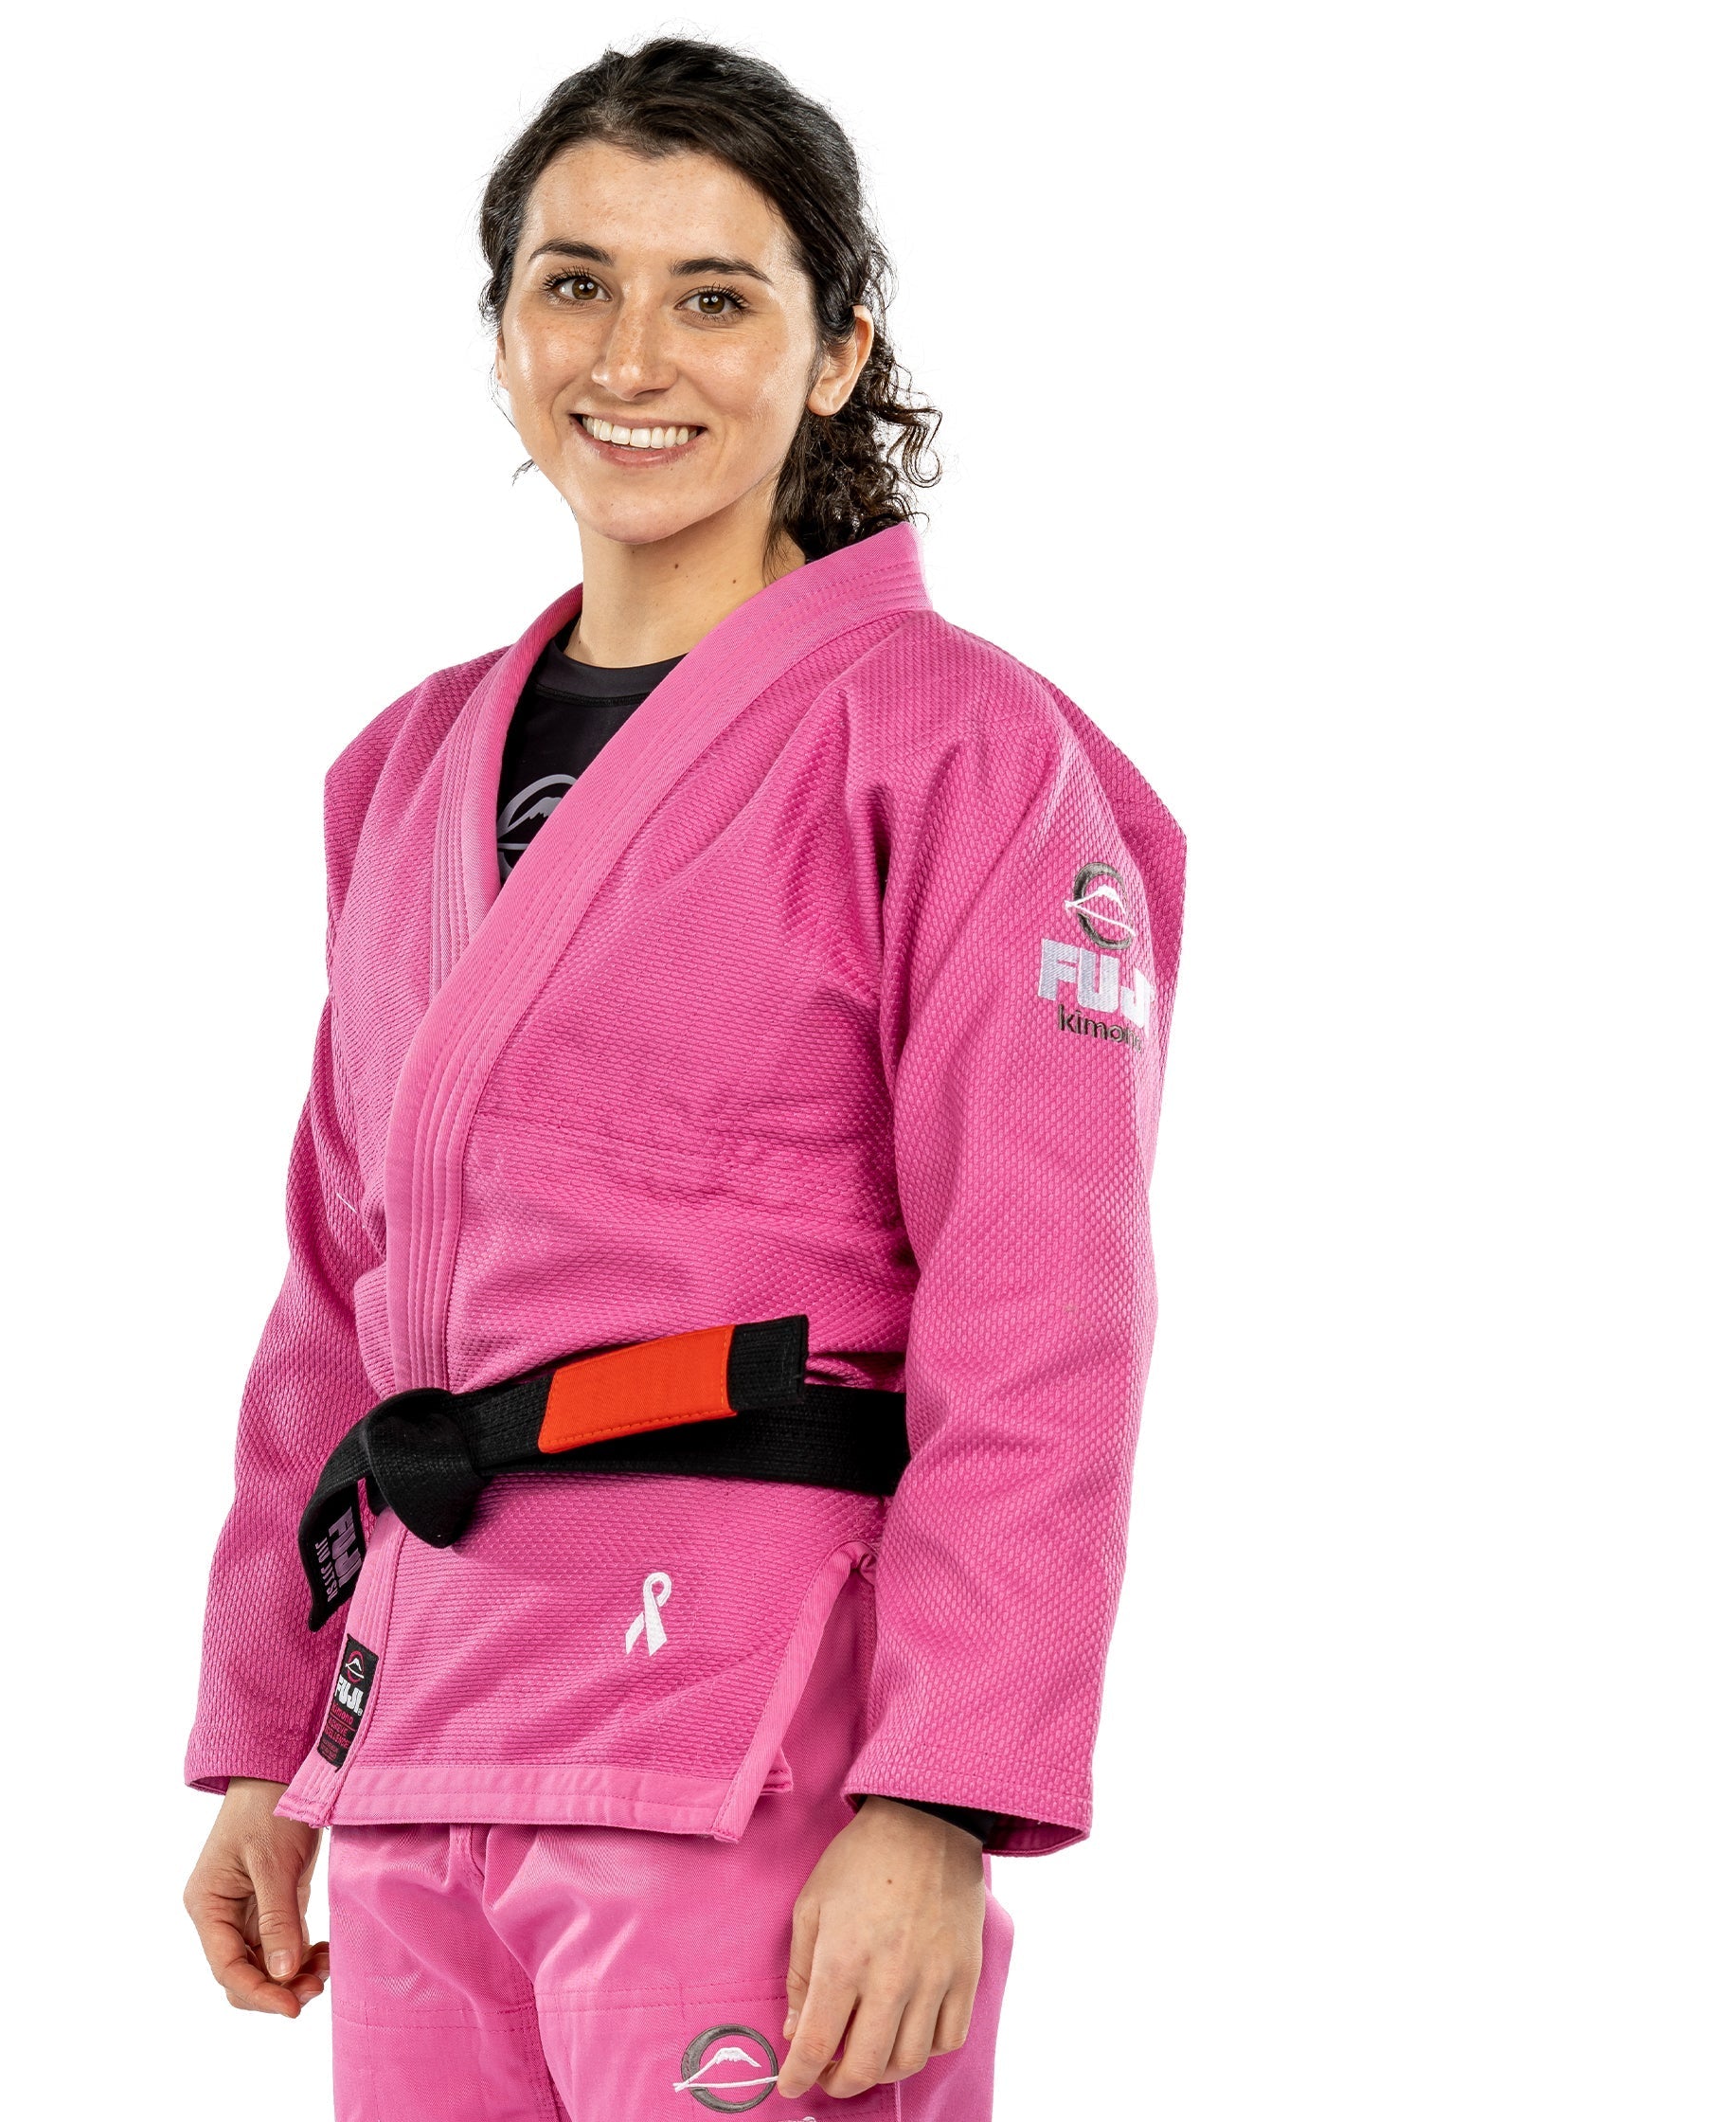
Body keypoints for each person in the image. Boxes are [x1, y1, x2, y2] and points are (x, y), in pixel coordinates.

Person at [182, 37, 1186, 2119]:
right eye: (576, 285)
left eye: (716, 296)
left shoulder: (959, 747)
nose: (633, 357)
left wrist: (940, 1792)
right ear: (502, 335)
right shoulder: (404, 770)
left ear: (837, 355)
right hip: (427, 1732)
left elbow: (1043, 1300)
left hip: (751, 1731)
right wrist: (275, 1733)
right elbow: (338, 1289)